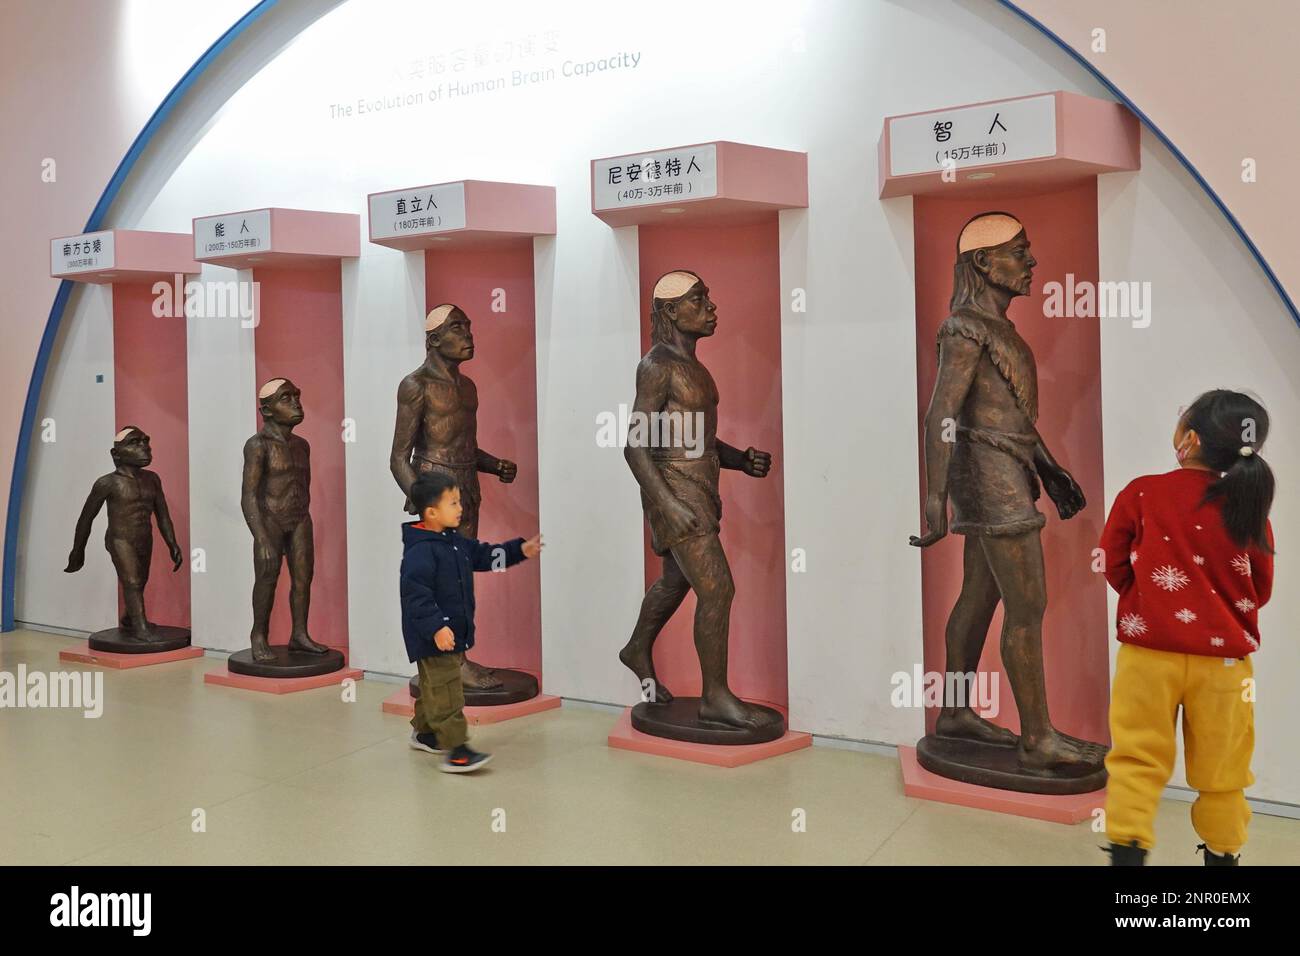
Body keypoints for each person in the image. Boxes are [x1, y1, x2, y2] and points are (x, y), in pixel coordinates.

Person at [1099, 389, 1275, 865]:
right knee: (1225, 772)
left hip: (1147, 654)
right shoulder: (1248, 505)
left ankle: (1128, 857)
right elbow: (1260, 588)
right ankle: (1222, 860)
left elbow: (1113, 563)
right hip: (1225, 667)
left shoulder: (1141, 492)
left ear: (1189, 439)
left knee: (1136, 759)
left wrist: (1148, 601)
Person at [400, 471, 543, 773]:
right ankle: (457, 750)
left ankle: (425, 733)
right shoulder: (420, 551)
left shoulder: (454, 542)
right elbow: (417, 597)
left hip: (451, 631)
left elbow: (484, 556)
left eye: (459, 501)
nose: (460, 507)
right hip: (432, 635)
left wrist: (519, 551)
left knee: (434, 686)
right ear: (431, 513)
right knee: (448, 691)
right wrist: (437, 627)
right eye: (453, 503)